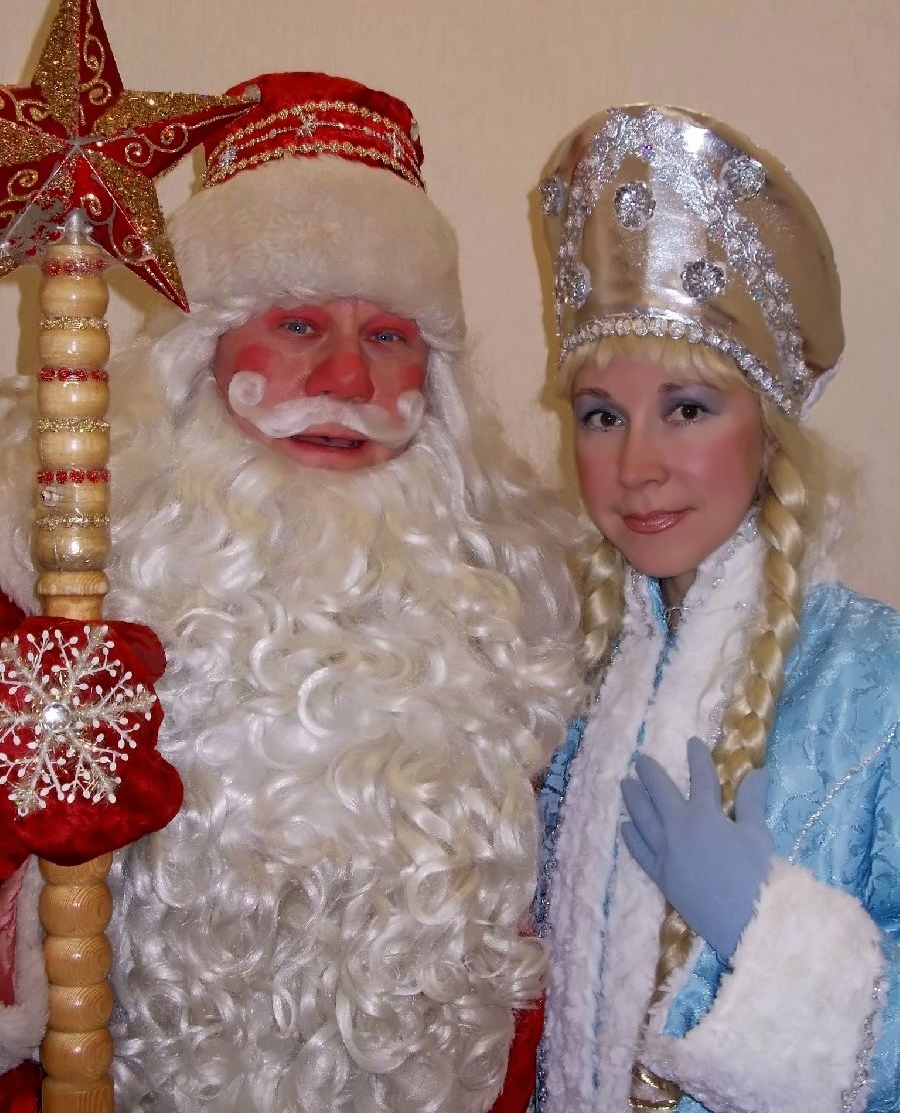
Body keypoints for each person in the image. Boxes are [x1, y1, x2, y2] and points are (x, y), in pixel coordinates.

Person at [0, 72, 581, 1111]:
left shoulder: (516, 625)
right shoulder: (59, 606)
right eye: (301, 325)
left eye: (390, 337)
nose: (349, 381)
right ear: (203, 354)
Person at [530, 104, 900, 1113]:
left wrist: (767, 934)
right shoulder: (570, 682)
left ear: (768, 431)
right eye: (601, 416)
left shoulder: (877, 690)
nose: (636, 465)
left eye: (687, 410)